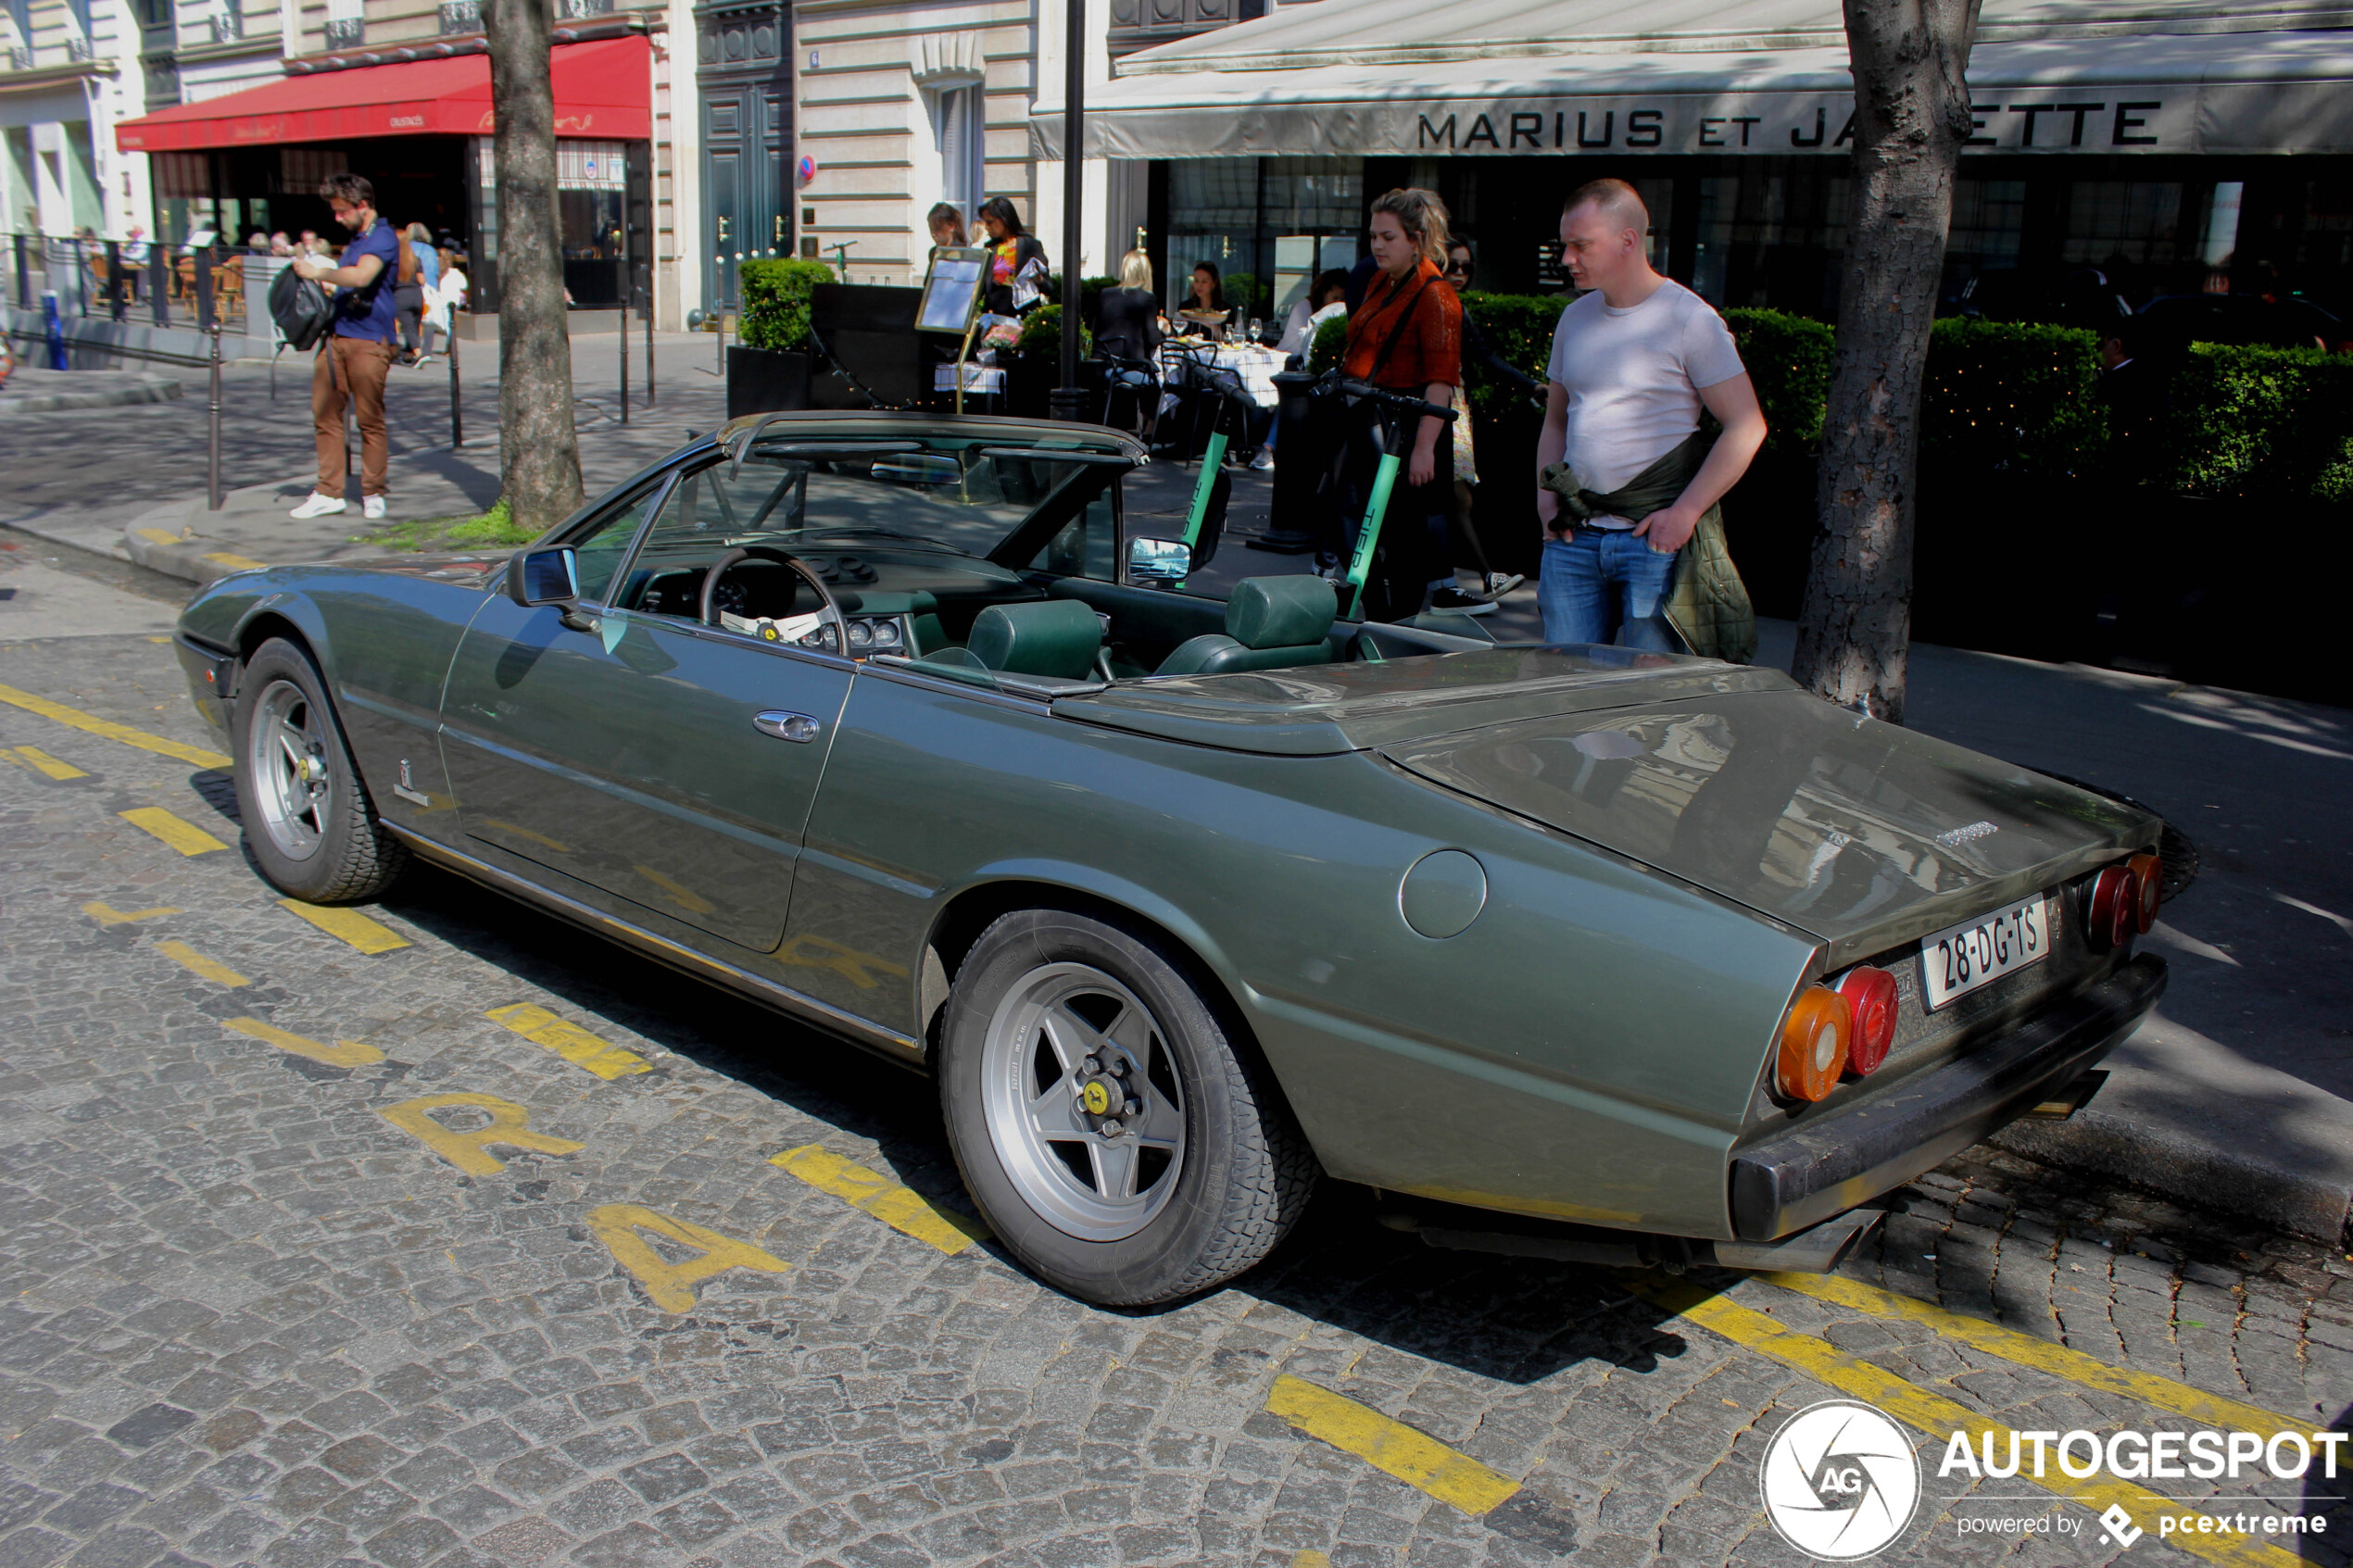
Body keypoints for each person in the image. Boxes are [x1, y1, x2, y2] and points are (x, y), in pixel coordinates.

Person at [1534, 178, 1767, 650]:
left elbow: (1747, 425)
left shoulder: (1690, 319)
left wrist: (1685, 512)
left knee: (1651, 706)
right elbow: (1557, 419)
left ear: (1628, 240)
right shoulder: (1573, 318)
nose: (1566, 260)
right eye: (1565, 246)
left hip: (1653, 543)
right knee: (1563, 694)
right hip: (1574, 538)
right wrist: (1544, 502)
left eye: (1581, 246)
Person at [1336, 187, 1462, 622]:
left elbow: (1441, 380)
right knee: (1350, 520)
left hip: (1401, 431)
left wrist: (1425, 446)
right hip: (1365, 420)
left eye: (1388, 237)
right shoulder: (1380, 280)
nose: (1376, 245)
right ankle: (1372, 613)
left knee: (1400, 535)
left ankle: (1395, 626)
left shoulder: (1436, 296)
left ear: (1416, 239)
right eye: (1373, 235)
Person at [288, 173, 398, 521]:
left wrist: (316, 272)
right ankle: (328, 491)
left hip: (368, 339)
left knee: (369, 418)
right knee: (325, 413)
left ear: (361, 206)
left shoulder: (382, 238)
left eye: (341, 211)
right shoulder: (358, 239)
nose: (336, 218)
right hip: (338, 335)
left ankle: (373, 492)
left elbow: (363, 277)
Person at [1438, 233, 1540, 609]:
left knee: (1454, 495)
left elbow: (1484, 357)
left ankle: (1463, 579)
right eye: (1453, 265)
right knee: (1454, 496)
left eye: (1467, 267)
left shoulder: (1454, 307)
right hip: (1439, 408)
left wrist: (1530, 385)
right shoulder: (1439, 304)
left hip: (1452, 408)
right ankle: (1478, 576)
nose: (1460, 273)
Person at [1095, 249, 1164, 435]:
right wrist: (1164, 330)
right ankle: (1150, 432)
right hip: (1129, 367)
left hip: (1103, 366)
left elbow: (1097, 330)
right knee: (1159, 380)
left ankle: (1137, 428)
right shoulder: (1146, 298)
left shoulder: (1105, 294)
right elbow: (1153, 339)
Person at [977, 196, 1047, 317]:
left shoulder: (1030, 245)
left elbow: (1048, 287)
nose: (987, 228)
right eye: (985, 223)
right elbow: (981, 287)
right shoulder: (989, 248)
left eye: (990, 222)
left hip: (1022, 317)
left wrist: (1039, 279)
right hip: (994, 317)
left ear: (1004, 219)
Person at [393, 220, 440, 366]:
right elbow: (428, 276)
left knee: (408, 326)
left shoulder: (397, 256)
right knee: (419, 324)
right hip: (421, 293)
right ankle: (417, 351)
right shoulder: (429, 251)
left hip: (401, 294)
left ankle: (418, 353)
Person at [1277, 268, 1348, 358]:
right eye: (1335, 298)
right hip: (1291, 358)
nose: (1338, 303)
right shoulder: (1304, 307)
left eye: (1342, 300)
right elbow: (1305, 339)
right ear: (1323, 294)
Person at [1176, 262, 1227, 336]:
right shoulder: (1185, 307)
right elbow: (1178, 335)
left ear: (1213, 284)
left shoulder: (1224, 311)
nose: (1199, 285)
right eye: (1196, 281)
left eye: (1204, 281)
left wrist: (1212, 326)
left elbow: (1227, 342)